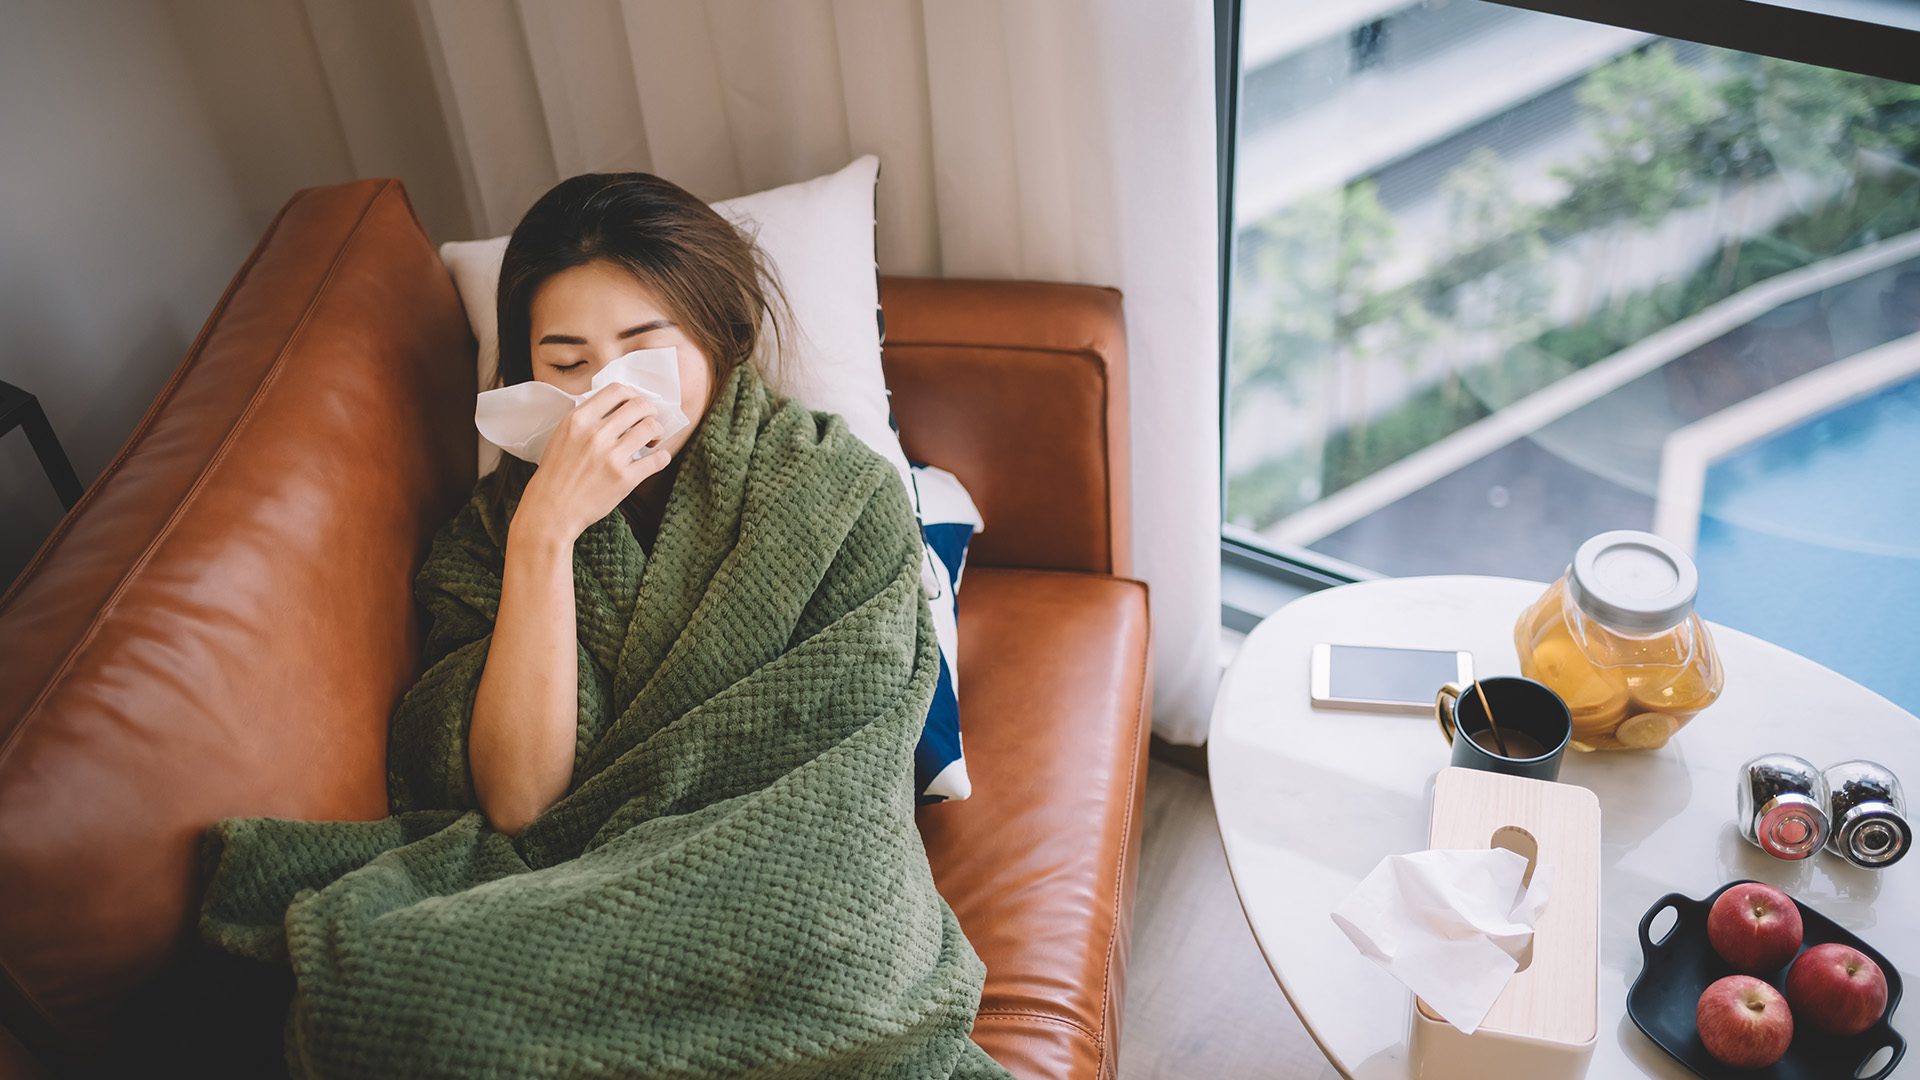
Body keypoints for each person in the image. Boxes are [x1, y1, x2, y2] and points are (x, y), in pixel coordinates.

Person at [464, 171, 795, 836]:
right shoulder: (492, 530)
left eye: (644, 349)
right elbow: (518, 804)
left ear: (719, 334)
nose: (606, 394)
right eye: (567, 366)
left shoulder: (834, 487)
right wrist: (544, 536)